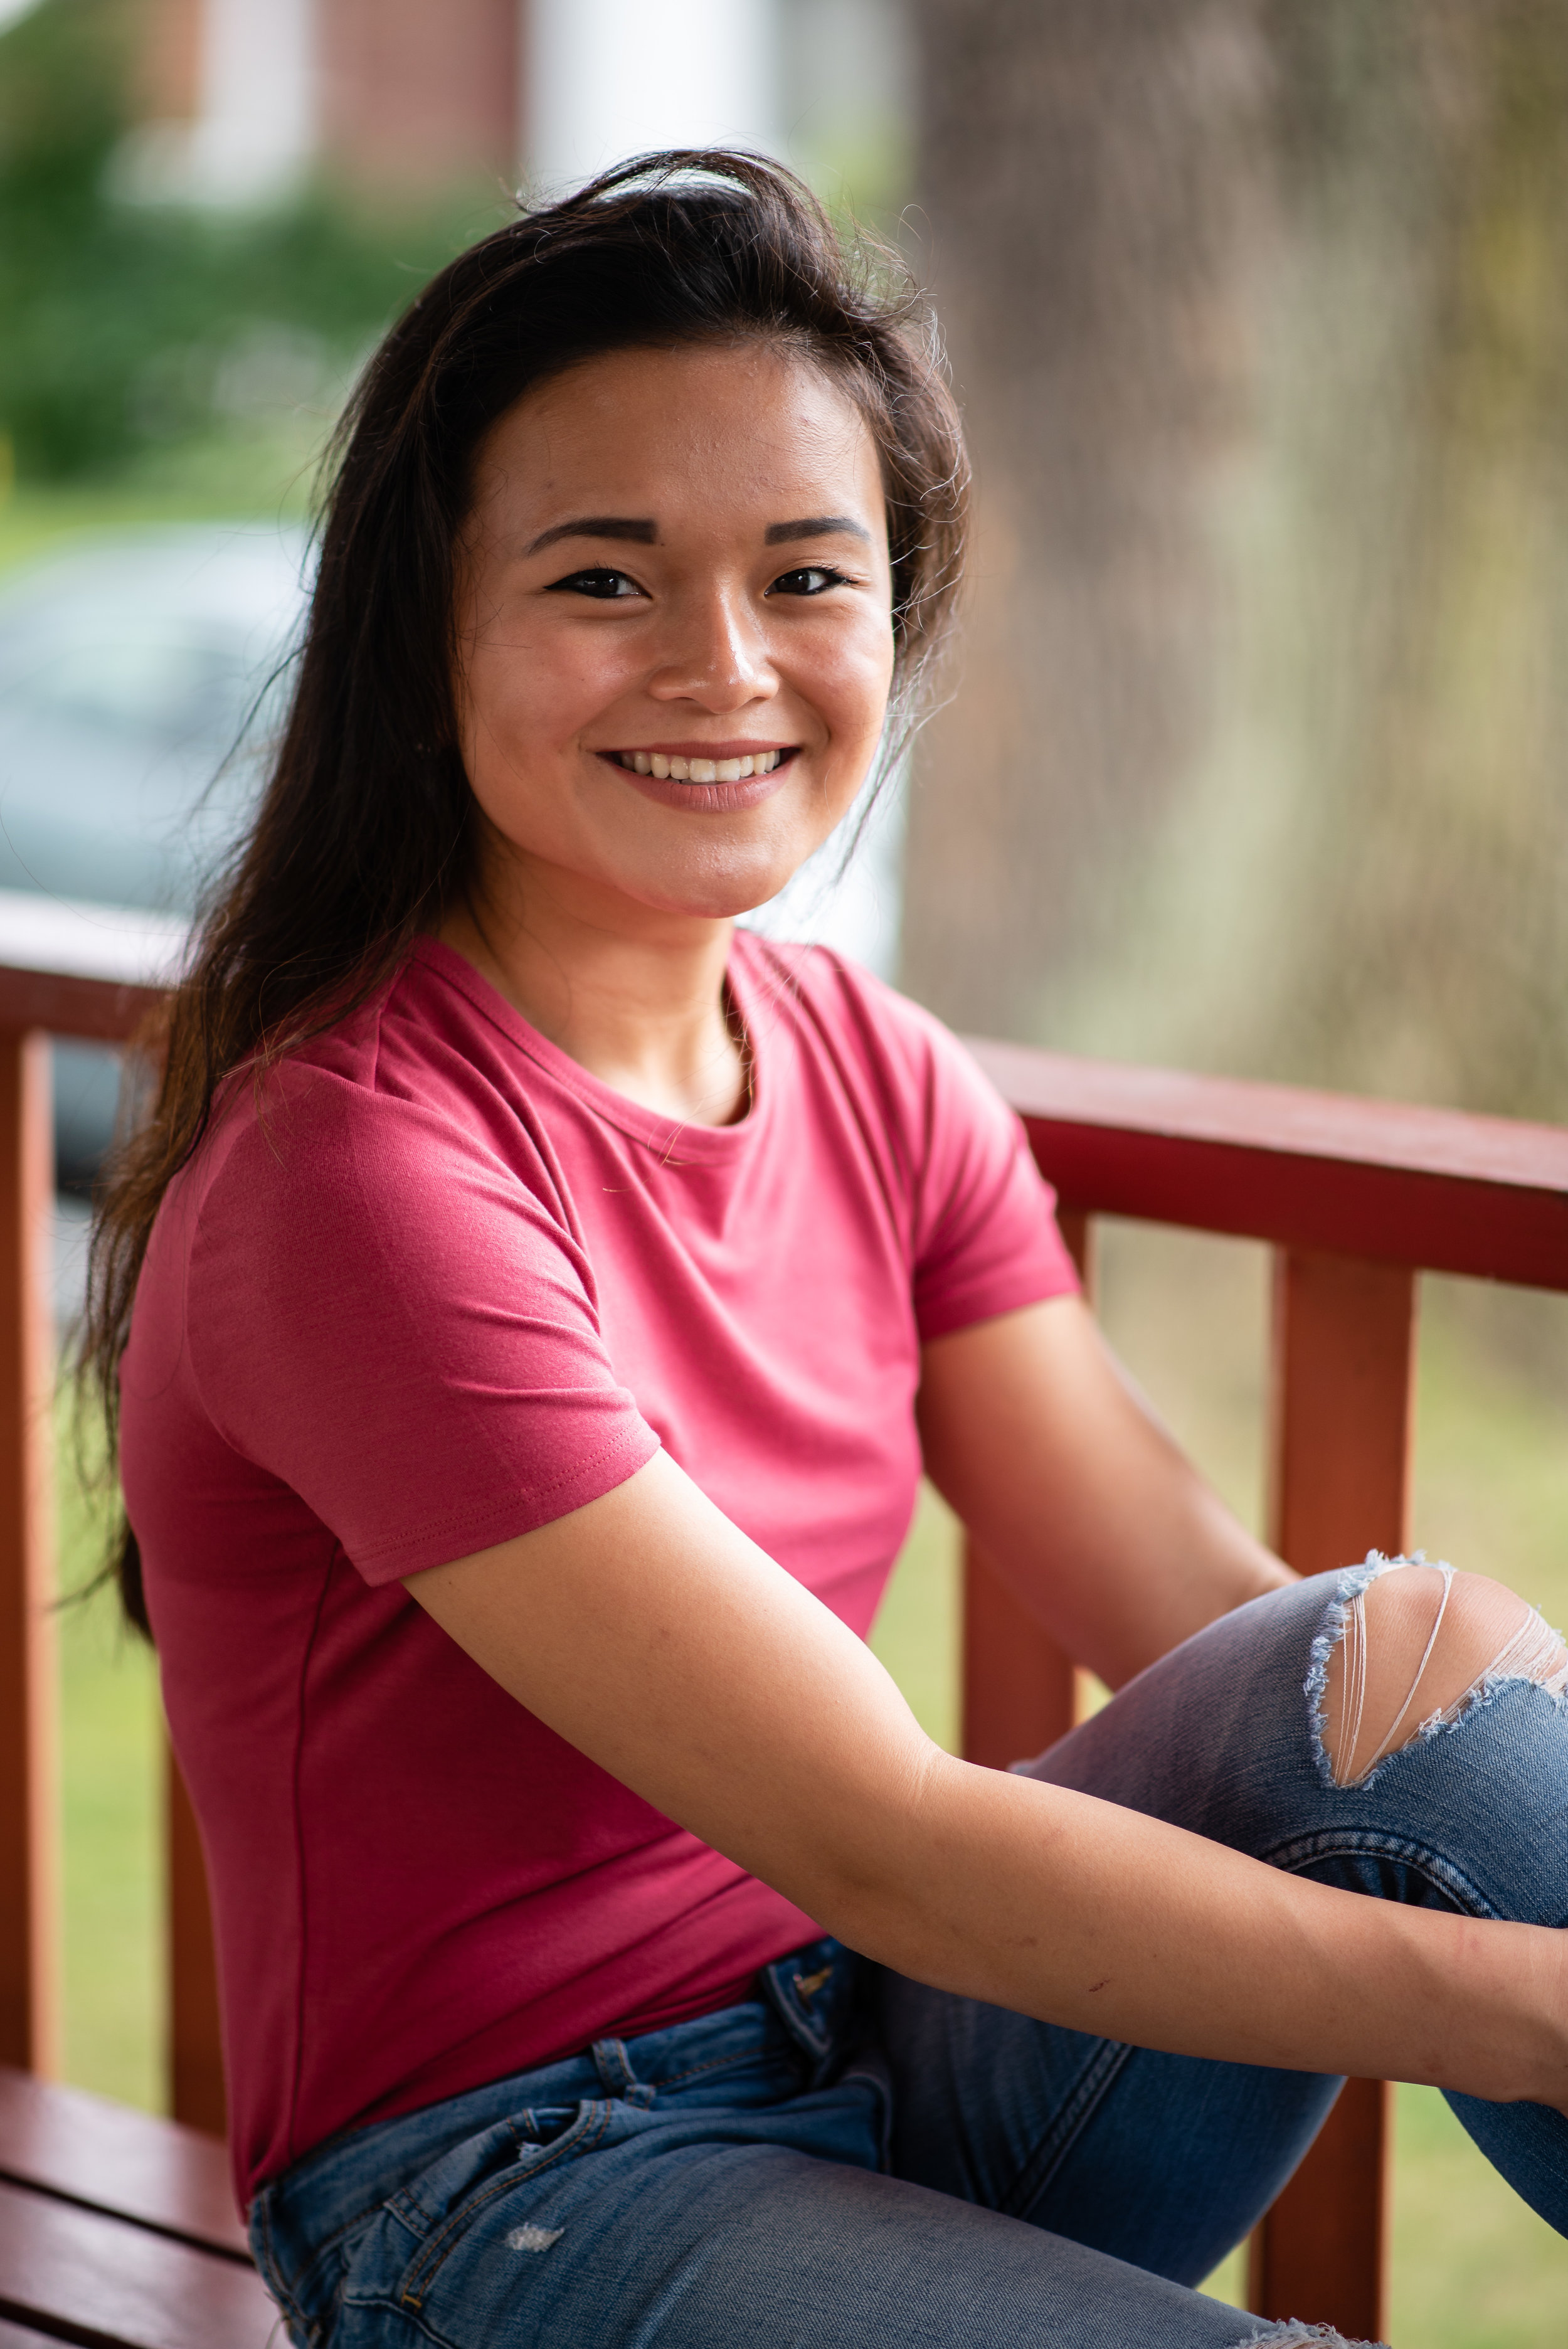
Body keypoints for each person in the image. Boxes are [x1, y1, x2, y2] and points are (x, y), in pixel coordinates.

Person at [89, 152, 1568, 2349]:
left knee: (1401, 1654)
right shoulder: (361, 1180)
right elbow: (891, 1835)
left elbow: (1217, 1629)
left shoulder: (872, 1070)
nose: (722, 664)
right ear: (430, 639)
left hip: (885, 2037)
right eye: (606, 576)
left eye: (806, 572)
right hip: (512, 2188)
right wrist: (1533, 2012)